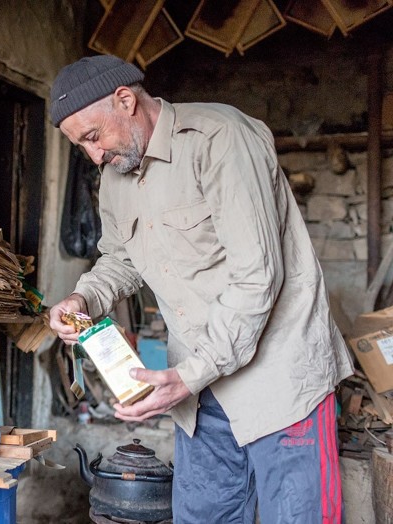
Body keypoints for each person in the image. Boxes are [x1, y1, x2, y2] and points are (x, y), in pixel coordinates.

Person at [47, 55, 354, 523]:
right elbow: (121, 258)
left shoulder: (220, 139)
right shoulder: (114, 176)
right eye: (81, 147)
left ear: (125, 100)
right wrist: (84, 297)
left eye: (93, 137)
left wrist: (192, 374)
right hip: (199, 390)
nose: (94, 156)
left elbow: (257, 277)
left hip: (280, 384)